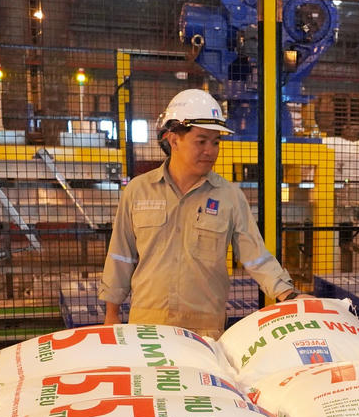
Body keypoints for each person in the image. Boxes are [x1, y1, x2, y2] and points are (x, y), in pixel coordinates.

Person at [98, 88, 301, 339]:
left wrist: (288, 294)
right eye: (201, 141)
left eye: (216, 142)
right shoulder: (138, 191)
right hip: (147, 325)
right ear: (174, 140)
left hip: (205, 328)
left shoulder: (229, 197)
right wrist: (111, 313)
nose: (210, 150)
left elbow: (255, 255)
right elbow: (120, 255)